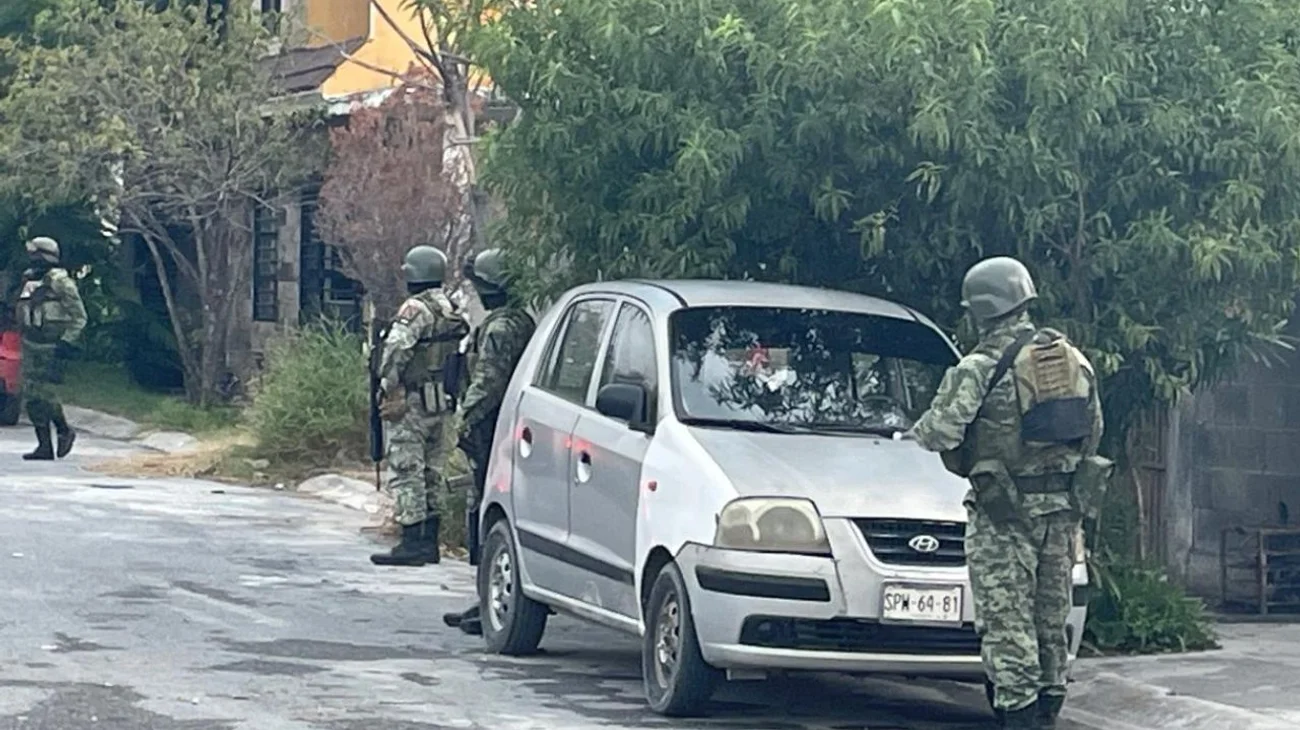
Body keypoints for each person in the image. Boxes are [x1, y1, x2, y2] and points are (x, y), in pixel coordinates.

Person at [906, 256, 1104, 730]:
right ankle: (1048, 712)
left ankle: (1018, 718)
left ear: (980, 309)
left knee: (1008, 627)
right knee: (1050, 622)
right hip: (1061, 513)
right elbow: (1093, 432)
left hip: (1003, 515)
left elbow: (939, 434)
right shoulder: (1072, 360)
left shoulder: (978, 367)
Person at [442, 248, 535, 635]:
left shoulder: (500, 328)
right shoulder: (518, 321)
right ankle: (487, 600)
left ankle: (490, 604)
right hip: (502, 426)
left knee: (484, 509)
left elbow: (489, 381)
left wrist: (464, 421)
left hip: (491, 427)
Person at [370, 245, 469, 567]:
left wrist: (386, 384)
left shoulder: (415, 308)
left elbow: (397, 349)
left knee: (406, 470)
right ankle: (431, 540)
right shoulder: (450, 306)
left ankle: (413, 541)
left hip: (412, 402)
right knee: (432, 471)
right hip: (441, 401)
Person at [14, 236, 86, 461]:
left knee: (44, 394)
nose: (32, 259)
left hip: (52, 345)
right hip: (31, 343)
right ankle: (44, 445)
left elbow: (79, 317)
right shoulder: (31, 281)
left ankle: (64, 430)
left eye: (36, 255)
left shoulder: (61, 282)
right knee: (31, 397)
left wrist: (67, 341)